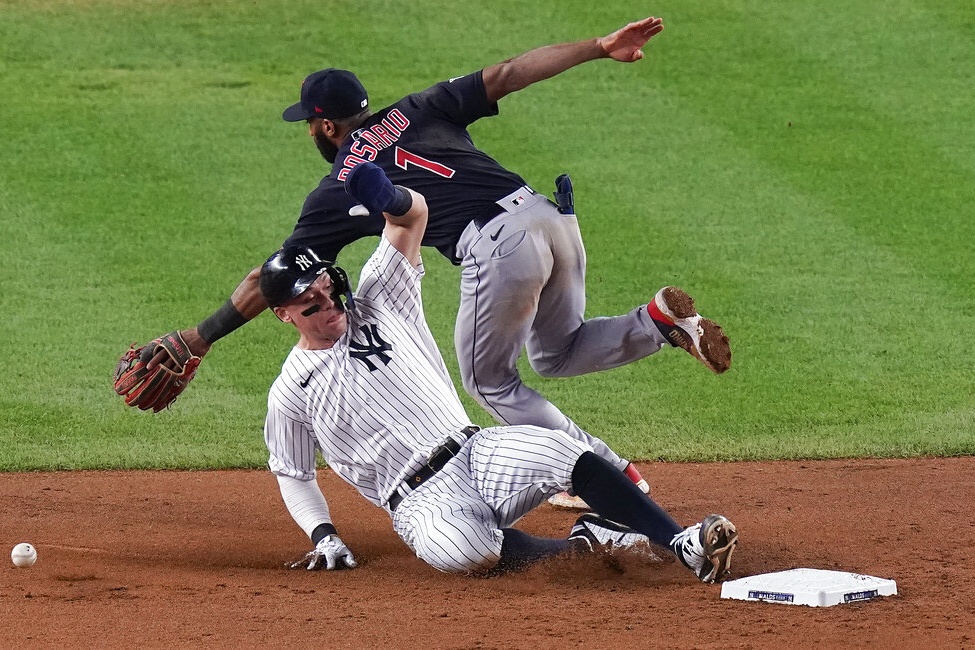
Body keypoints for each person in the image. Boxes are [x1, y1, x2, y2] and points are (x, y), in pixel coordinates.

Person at [157, 16, 730, 505]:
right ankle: (655, 323)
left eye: (308, 123)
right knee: (557, 352)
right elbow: (508, 73)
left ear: (326, 125)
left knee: (489, 382)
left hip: (500, 246)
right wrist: (599, 48)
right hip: (551, 219)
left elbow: (273, 277)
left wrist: (202, 336)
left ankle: (605, 476)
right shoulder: (418, 108)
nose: (309, 132)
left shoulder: (337, 187)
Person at [262, 161, 737, 581]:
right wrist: (323, 534)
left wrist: (387, 195)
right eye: (310, 304)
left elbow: (412, 216)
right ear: (283, 315)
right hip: (419, 502)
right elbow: (294, 473)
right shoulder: (290, 391)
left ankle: (682, 545)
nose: (328, 304)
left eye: (328, 289)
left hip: (476, 451)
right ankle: (587, 544)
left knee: (562, 450)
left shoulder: (380, 299)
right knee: (458, 551)